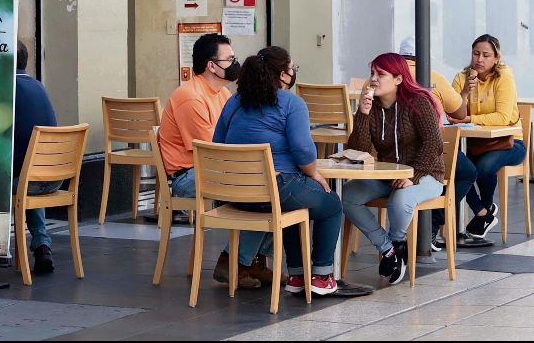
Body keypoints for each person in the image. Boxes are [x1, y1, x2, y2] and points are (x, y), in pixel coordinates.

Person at [213, 46, 342, 295]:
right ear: (283, 75)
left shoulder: (234, 101)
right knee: (331, 205)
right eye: (293, 68)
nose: (294, 73)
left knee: (296, 201)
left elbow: (217, 143)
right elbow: (303, 151)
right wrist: (313, 172)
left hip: (231, 194)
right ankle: (321, 277)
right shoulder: (292, 103)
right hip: (270, 191)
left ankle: (296, 276)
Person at [159, 33, 272, 289]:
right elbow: (212, 150)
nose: (235, 64)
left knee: (279, 189)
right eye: (230, 59)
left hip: (213, 168)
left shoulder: (222, 94)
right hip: (189, 175)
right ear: (212, 65)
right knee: (261, 192)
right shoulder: (190, 97)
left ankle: (250, 260)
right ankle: (234, 262)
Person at [343, 53, 445, 285]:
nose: (374, 79)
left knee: (399, 200)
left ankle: (397, 241)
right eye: (372, 74)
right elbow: (357, 151)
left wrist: (414, 175)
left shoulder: (418, 101)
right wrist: (362, 115)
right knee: (348, 195)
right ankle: (390, 248)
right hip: (389, 174)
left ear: (399, 79)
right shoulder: (373, 106)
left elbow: (434, 143)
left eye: (381, 74)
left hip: (427, 173)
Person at [397, 37, 477, 250]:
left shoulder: (384, 76)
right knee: (467, 172)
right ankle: (431, 225)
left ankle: (423, 225)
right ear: (422, 57)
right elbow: (459, 112)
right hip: (427, 150)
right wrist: (466, 93)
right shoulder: (432, 76)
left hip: (390, 154)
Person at [447, 34, 525, 240]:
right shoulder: (462, 77)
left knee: (483, 168)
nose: (479, 59)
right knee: (454, 166)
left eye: (486, 55)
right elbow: (452, 113)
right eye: (476, 54)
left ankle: (488, 207)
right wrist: (464, 93)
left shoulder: (504, 76)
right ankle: (483, 212)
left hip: (509, 142)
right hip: (474, 143)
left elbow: (503, 117)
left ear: (496, 58)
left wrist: (469, 117)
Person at [11, 40, 58, 273]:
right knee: (28, 172)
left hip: (26, 181)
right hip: (55, 177)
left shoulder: (6, 91)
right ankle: (41, 242)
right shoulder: (40, 87)